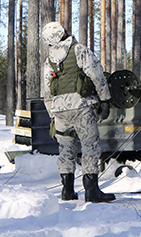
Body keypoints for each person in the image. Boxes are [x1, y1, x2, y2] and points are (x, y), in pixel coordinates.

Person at [42, 21, 115, 203]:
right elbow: (96, 75)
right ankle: (91, 191)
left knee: (66, 149)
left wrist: (52, 114)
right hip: (81, 106)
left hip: (59, 110)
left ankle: (67, 191)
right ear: (62, 32)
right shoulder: (78, 50)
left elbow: (47, 92)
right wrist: (105, 99)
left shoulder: (49, 59)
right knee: (90, 146)